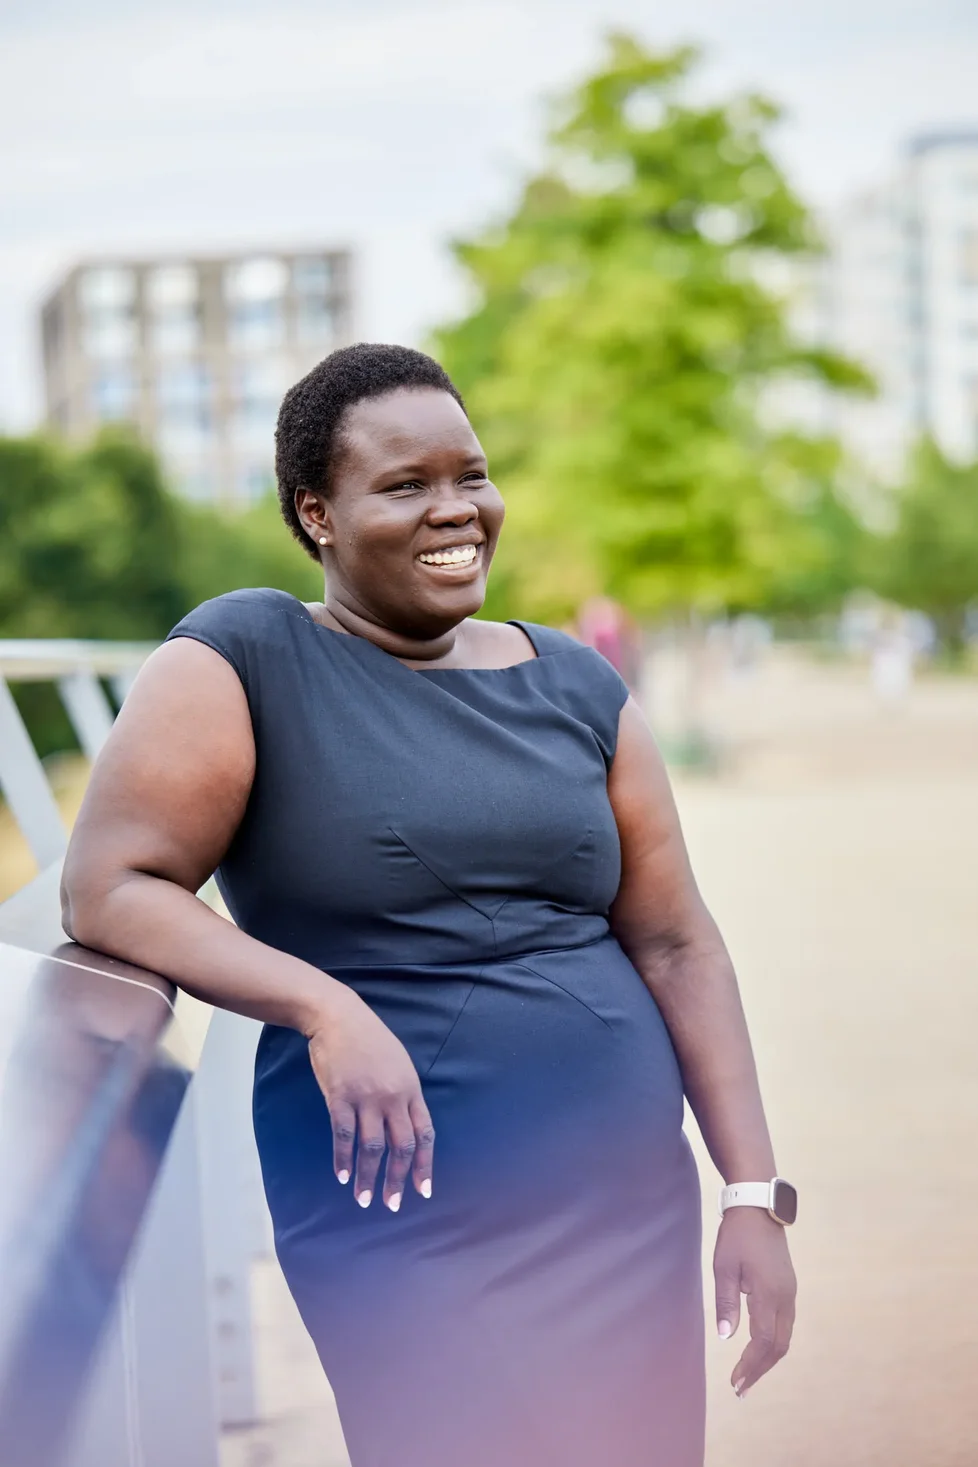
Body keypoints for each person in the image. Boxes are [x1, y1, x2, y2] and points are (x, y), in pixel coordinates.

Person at [61, 344, 796, 1467]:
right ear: (318, 513)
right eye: (406, 486)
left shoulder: (576, 684)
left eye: (472, 475)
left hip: (619, 1198)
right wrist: (324, 1007)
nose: (457, 510)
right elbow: (109, 887)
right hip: (395, 1204)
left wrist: (752, 1189)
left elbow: (677, 940)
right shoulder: (248, 658)